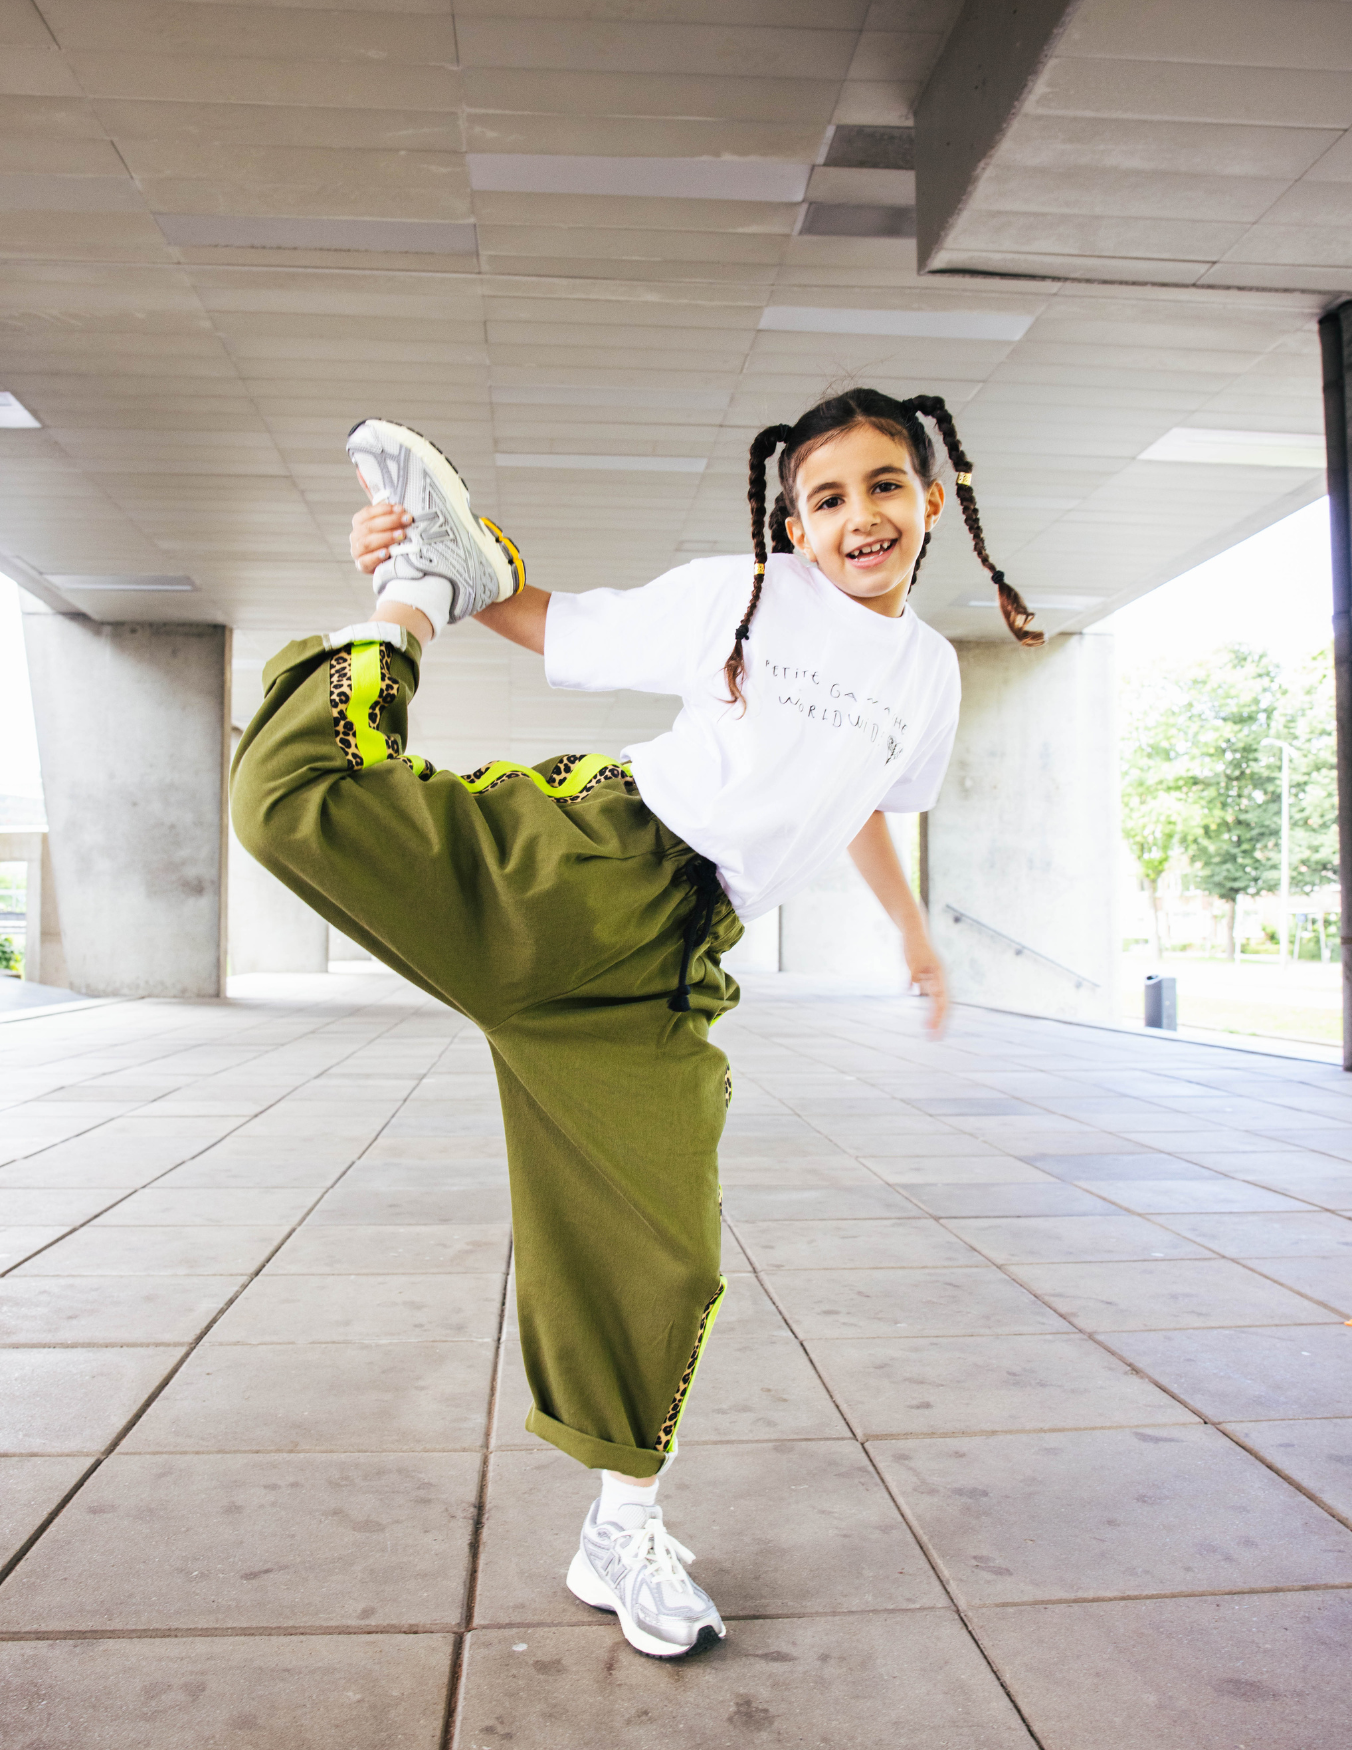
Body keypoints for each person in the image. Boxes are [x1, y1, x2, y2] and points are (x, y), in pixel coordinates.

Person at [230, 388, 1041, 1661]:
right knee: (292, 800)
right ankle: (405, 603)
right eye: (826, 498)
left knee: (664, 1256)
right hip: (592, 864)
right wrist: (438, 579)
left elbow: (862, 806)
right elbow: (555, 623)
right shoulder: (751, 596)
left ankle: (618, 1528)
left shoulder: (928, 674)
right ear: (793, 525)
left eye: (883, 486)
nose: (859, 517)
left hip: (667, 966)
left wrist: (911, 931)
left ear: (931, 501)